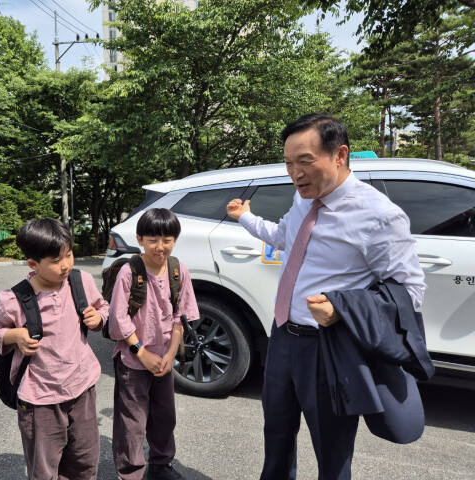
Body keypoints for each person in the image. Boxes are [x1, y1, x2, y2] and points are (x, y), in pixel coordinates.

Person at [226, 113, 426, 480]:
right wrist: (245, 218)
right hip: (283, 335)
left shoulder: (380, 216)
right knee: (276, 435)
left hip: (329, 349)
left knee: (332, 455)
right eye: (288, 163)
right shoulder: (303, 199)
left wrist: (343, 307)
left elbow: (410, 294)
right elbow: (285, 237)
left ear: (340, 155)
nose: (295, 173)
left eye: (305, 161)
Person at [0, 218, 109, 480]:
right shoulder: (14, 299)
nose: (65, 265)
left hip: (82, 388)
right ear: (33, 264)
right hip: (40, 398)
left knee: (85, 461)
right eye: (55, 260)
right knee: (44, 468)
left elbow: (102, 307)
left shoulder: (81, 281)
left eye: (69, 254)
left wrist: (98, 318)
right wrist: (13, 335)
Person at [109, 208, 200, 480]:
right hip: (133, 360)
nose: (160, 247)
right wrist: (142, 353)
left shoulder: (177, 269)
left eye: (167, 239)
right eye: (153, 240)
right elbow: (118, 318)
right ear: (140, 239)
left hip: (163, 359)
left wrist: (170, 354)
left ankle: (160, 465)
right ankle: (130, 473)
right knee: (132, 423)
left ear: (175, 239)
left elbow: (180, 315)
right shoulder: (129, 272)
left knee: (164, 417)